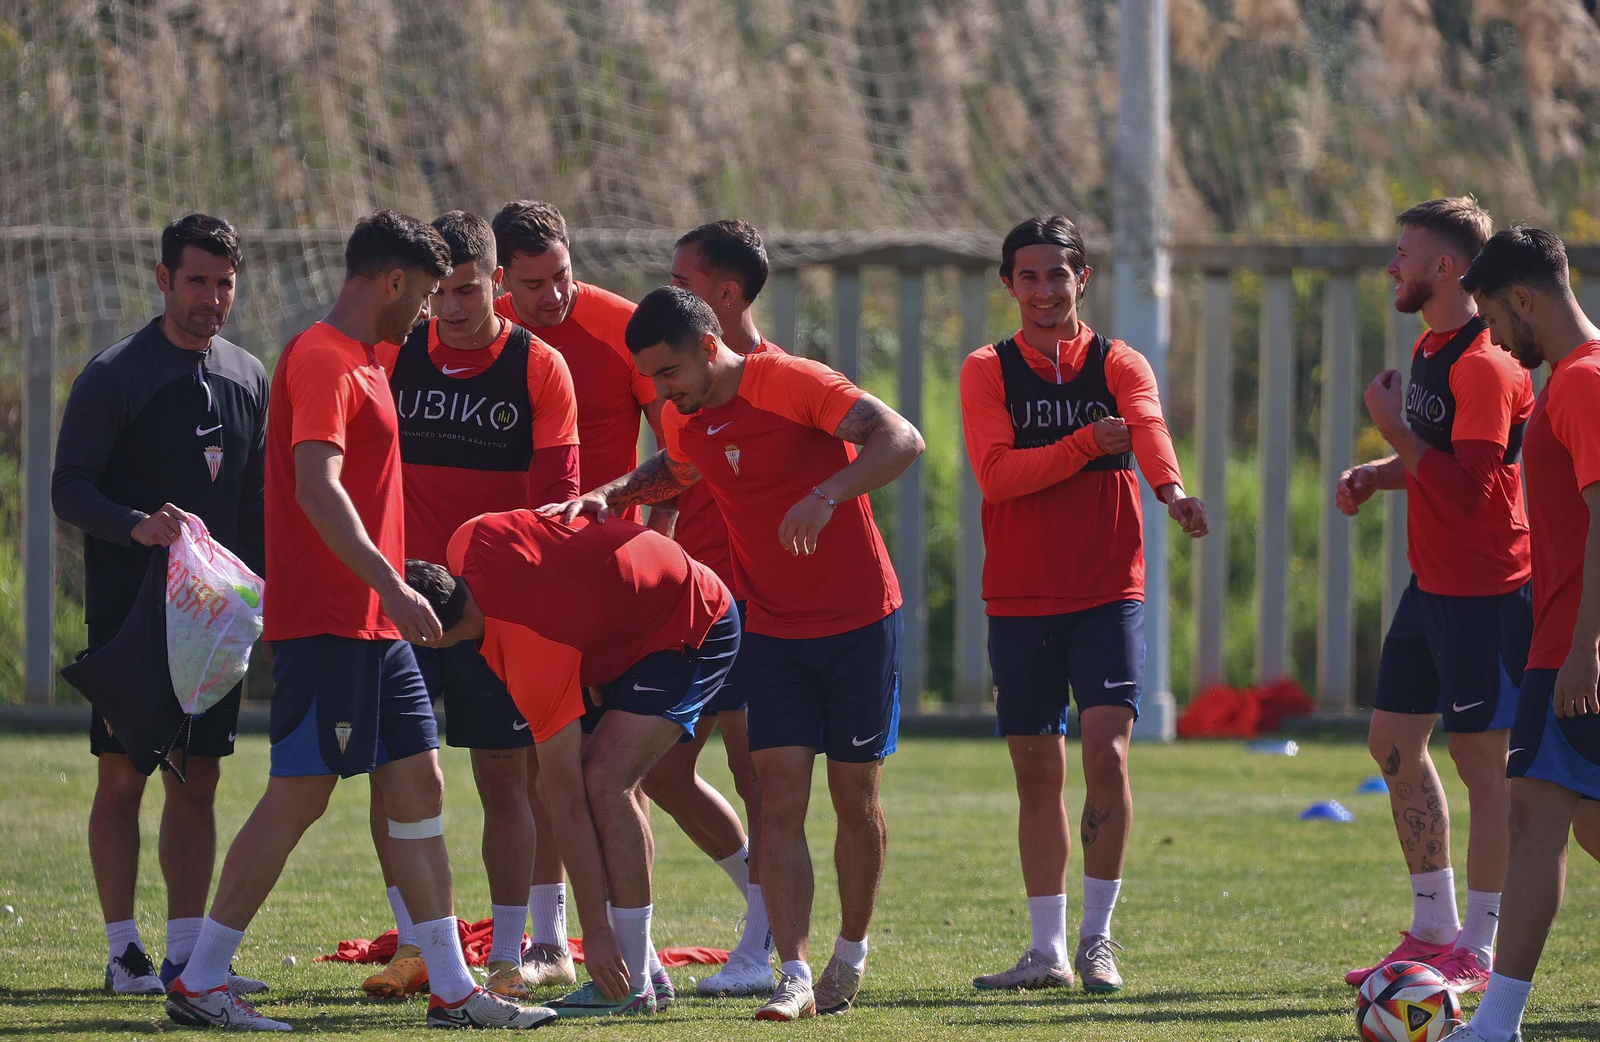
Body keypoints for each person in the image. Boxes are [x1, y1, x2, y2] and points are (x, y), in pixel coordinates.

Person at [163, 210, 552, 1031]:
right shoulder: (325, 360)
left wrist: (390, 597)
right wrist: (392, 584)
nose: (430, 314)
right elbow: (317, 488)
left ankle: (451, 989)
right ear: (394, 282)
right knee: (299, 797)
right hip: (335, 621)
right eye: (425, 296)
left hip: (376, 628)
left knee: (419, 785)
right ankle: (199, 978)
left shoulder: (373, 361)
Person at [544, 287, 924, 1021]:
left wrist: (827, 492)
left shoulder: (789, 381)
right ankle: (793, 972)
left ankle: (851, 951)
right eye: (651, 378)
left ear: (710, 346)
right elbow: (676, 469)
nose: (662, 391)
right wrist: (612, 494)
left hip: (859, 621)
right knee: (776, 796)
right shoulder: (692, 417)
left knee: (856, 799)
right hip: (774, 628)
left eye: (670, 373)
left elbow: (901, 439)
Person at [958, 214, 1207, 996]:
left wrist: (1170, 490)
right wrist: (1084, 449)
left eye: (1056, 276)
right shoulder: (986, 369)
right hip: (1021, 598)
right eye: (1027, 277)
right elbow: (998, 477)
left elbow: (1148, 426)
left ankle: (1097, 941)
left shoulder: (1119, 361)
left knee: (1108, 755)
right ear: (1008, 285)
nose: (1042, 291)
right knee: (1039, 773)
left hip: (1107, 591)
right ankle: (1046, 950)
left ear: (1081, 280)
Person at [361, 211, 582, 1002]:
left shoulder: (539, 367)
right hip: (399, 600)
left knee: (505, 776)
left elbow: (558, 506)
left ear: (495, 284)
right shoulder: (392, 353)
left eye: (465, 290)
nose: (449, 308)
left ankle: (509, 945)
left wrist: (510, 594)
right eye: (437, 293)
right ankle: (419, 945)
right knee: (396, 776)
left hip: (491, 611)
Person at [51, 213, 270, 999]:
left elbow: (256, 504)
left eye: (225, 284)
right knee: (123, 779)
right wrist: (135, 525)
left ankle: (185, 956)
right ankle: (123, 954)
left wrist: (263, 595)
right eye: (197, 281)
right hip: (135, 621)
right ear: (163, 280)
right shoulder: (115, 374)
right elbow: (68, 485)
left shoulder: (248, 375)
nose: (212, 298)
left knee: (199, 778)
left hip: (214, 630)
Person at [403, 507, 738, 1017]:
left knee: (604, 781)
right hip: (641, 617)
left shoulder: (531, 652)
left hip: (693, 617)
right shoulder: (467, 537)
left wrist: (595, 935)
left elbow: (568, 806)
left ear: (428, 636)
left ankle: (630, 979)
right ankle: (644, 970)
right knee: (582, 781)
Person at [1335, 198, 1532, 994]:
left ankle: (1477, 947)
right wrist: (1381, 475)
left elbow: (1476, 495)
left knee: (1483, 765)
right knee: (1391, 742)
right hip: (1433, 586)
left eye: (1404, 253)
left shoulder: (1485, 363)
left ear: (1446, 269)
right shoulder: (1429, 345)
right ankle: (1432, 927)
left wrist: (1394, 436)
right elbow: (1439, 465)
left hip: (1486, 592)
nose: (1393, 265)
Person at [489, 201, 671, 980]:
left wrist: (654, 547)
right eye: (533, 284)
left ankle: (643, 944)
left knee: (619, 775)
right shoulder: (481, 325)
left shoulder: (621, 327)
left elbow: (680, 446)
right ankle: (549, 938)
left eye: (562, 275)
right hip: (517, 579)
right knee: (539, 764)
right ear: (504, 279)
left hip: (609, 580)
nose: (553, 295)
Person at [1441, 229, 1600, 1042]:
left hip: (1574, 650)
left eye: (1496, 320)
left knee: (1534, 822)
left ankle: (1497, 1024)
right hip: (1570, 639)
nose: (1495, 340)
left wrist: (1582, 646)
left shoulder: (1581, 383)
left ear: (1526, 298)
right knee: (1585, 824)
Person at [644, 219, 782, 998]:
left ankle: (763, 943)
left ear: (726, 295)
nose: (672, 292)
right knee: (658, 770)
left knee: (757, 771)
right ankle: (764, 912)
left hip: (759, 607)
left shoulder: (782, 381)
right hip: (690, 605)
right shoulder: (678, 379)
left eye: (684, 281)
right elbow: (673, 480)